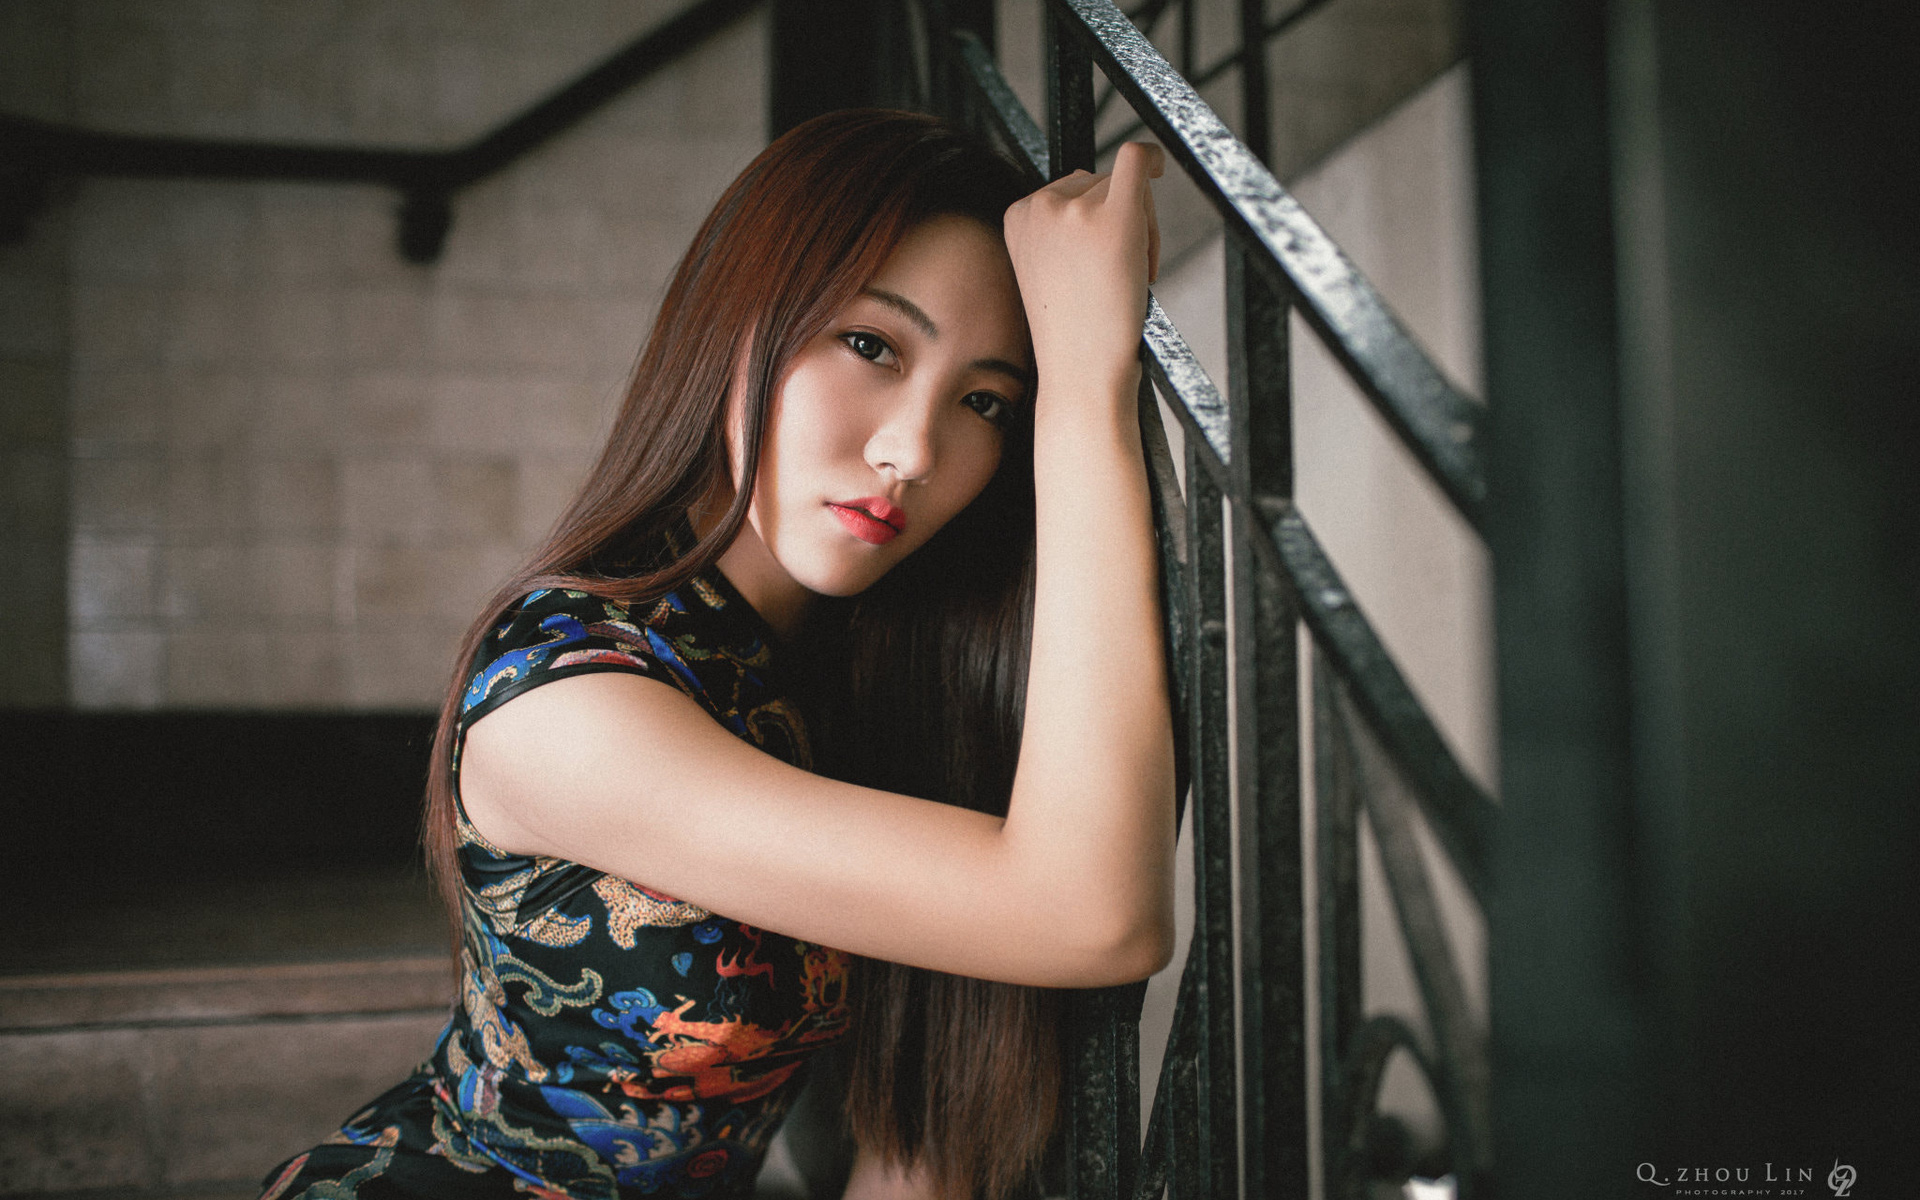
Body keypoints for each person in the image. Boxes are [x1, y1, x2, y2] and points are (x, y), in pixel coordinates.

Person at [261, 109, 1173, 1200]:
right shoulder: (569, 702)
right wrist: (1084, 391)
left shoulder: (858, 665)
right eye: (872, 346)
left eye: (986, 401)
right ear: (738, 321)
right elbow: (1092, 916)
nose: (913, 450)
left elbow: (927, 1127)